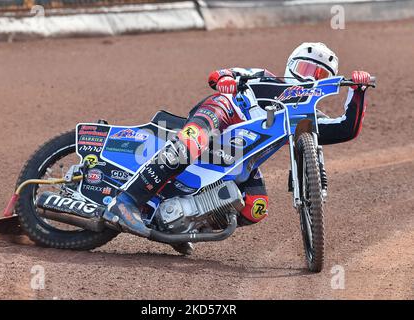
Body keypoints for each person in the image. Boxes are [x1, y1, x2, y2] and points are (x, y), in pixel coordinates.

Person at [103, 42, 372, 255]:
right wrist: (227, 79)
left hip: (239, 161)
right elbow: (221, 74)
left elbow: (345, 129)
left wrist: (357, 91)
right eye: (305, 69)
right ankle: (126, 202)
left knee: (256, 207)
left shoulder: (305, 119)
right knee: (192, 141)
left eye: (320, 75)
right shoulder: (263, 77)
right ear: (291, 66)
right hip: (222, 115)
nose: (310, 77)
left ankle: (179, 228)